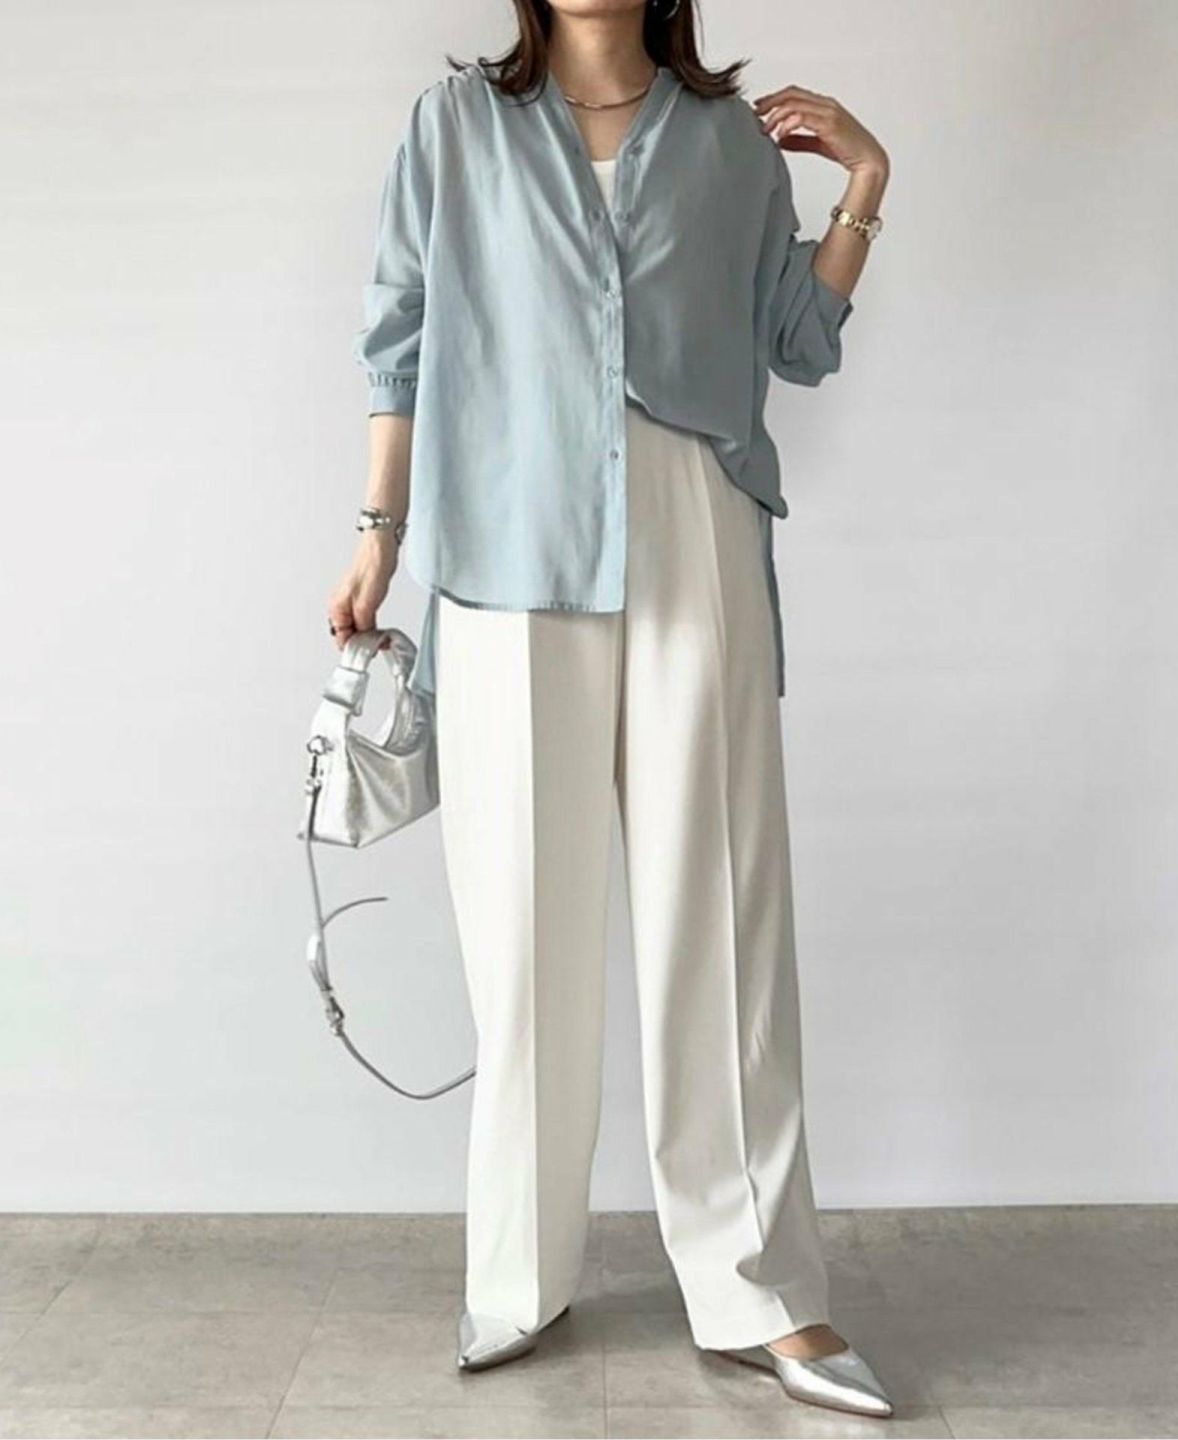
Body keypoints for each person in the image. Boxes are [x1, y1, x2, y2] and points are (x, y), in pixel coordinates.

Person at [328, 0, 892, 1418]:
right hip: (508, 543)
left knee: (721, 912)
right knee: (523, 924)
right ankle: (518, 1274)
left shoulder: (726, 142)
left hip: (694, 524)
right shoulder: (456, 128)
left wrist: (866, 184)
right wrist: (377, 536)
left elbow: (798, 343)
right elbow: (400, 339)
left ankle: (764, 1290)